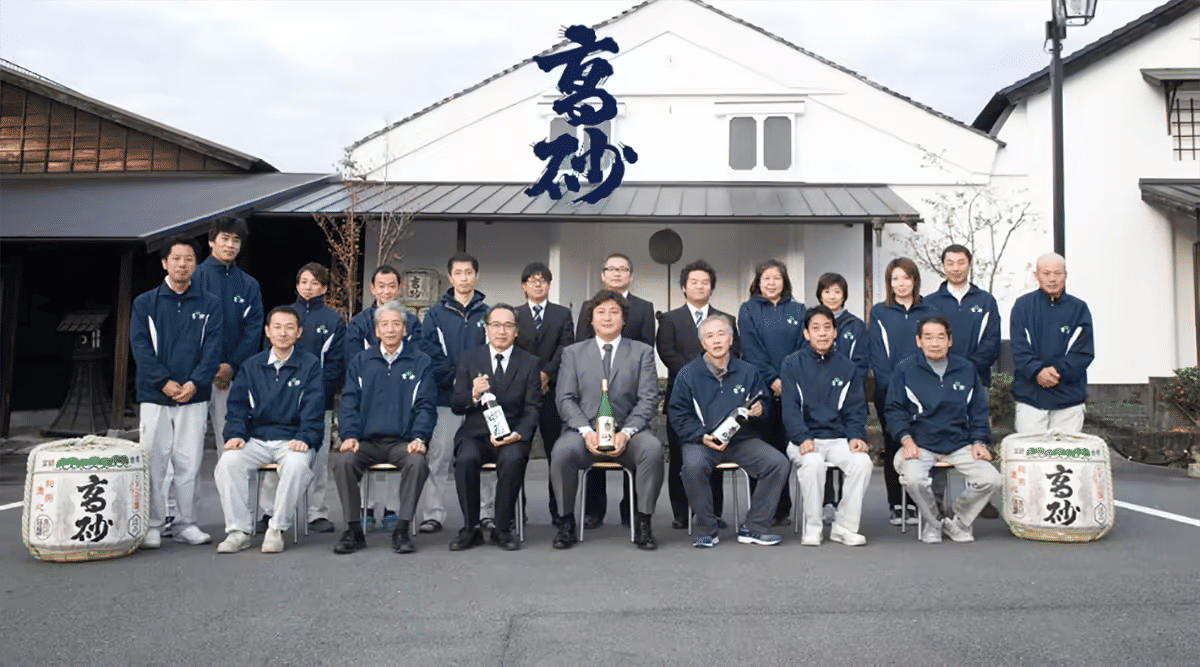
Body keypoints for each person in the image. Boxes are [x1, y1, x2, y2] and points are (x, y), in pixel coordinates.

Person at [550, 290, 664, 550]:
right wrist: (585, 431)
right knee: (562, 452)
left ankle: (643, 522)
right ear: (591, 320)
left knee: (652, 450)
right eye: (601, 312)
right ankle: (566, 522)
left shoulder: (642, 352)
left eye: (614, 312)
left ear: (624, 319)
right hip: (584, 432)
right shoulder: (573, 353)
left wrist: (626, 433)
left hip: (629, 433)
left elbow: (648, 399)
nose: (607, 317)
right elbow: (565, 398)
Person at [129, 235, 222, 548]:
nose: (183, 265)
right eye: (177, 259)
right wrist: (163, 381)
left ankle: (186, 522)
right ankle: (153, 524)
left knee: (189, 462)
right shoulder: (146, 303)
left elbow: (212, 349)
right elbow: (141, 347)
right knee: (154, 461)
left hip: (194, 396)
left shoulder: (210, 304)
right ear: (164, 263)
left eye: (189, 259)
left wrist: (195, 382)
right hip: (155, 395)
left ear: (196, 264)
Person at [669, 314, 787, 548]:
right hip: (703, 441)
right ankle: (707, 528)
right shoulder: (687, 374)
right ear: (703, 343)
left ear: (731, 340)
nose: (716, 340)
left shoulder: (749, 371)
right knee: (692, 467)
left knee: (777, 463)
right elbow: (678, 414)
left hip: (741, 440)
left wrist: (761, 409)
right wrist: (700, 435)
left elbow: (765, 404)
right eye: (710, 336)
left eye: (721, 334)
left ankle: (755, 526)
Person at [213, 306, 324, 554]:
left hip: (292, 439)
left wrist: (305, 437)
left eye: (289, 328)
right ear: (267, 331)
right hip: (257, 438)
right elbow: (237, 406)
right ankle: (238, 530)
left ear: (299, 332)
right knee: (228, 462)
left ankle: (276, 529)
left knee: (296, 465)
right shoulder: (251, 365)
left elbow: (314, 407)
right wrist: (236, 434)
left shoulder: (310, 364)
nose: (283, 333)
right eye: (277, 327)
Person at [330, 303, 436, 554]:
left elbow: (425, 406)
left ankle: (402, 528)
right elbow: (349, 402)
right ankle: (353, 529)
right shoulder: (361, 361)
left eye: (396, 324)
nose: (390, 329)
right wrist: (349, 435)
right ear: (376, 331)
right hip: (366, 442)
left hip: (402, 442)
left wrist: (419, 437)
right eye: (384, 325)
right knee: (343, 462)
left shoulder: (420, 362)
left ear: (405, 329)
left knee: (417, 463)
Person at [886, 316, 1000, 543]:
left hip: (959, 442)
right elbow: (894, 410)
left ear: (950, 341)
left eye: (940, 337)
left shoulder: (966, 369)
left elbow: (978, 410)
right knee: (913, 479)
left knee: (992, 479)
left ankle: (957, 520)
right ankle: (934, 522)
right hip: (920, 443)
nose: (935, 343)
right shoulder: (905, 369)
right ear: (919, 341)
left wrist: (979, 442)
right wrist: (906, 440)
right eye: (928, 337)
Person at [257, 263, 345, 535]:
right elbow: (268, 358)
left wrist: (316, 395)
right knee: (275, 457)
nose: (309, 287)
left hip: (318, 402)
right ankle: (269, 511)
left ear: (325, 288)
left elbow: (336, 364)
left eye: (316, 283)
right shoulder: (283, 314)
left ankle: (316, 512)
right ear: (296, 285)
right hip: (280, 402)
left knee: (317, 459)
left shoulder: (333, 320)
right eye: (304, 281)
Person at [448, 304, 541, 552]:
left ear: (516, 331)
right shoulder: (469, 358)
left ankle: (502, 528)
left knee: (512, 460)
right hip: (475, 435)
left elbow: (533, 408)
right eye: (496, 325)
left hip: (511, 435)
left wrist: (518, 434)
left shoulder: (530, 363)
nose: (502, 331)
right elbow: (456, 403)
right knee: (465, 459)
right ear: (486, 329)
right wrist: (473, 394)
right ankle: (470, 528)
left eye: (508, 326)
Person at [657, 259, 740, 530]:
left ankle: (713, 512)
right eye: (694, 282)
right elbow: (667, 353)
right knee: (679, 457)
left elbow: (734, 353)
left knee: (714, 453)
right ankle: (681, 513)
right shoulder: (669, 320)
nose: (699, 286)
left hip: (717, 399)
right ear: (684, 287)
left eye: (705, 282)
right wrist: (696, 375)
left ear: (711, 287)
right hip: (680, 399)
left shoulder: (726, 319)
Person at [780, 306, 872, 547]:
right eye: (816, 328)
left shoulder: (847, 367)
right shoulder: (792, 364)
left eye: (827, 328)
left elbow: (855, 409)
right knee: (812, 463)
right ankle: (813, 526)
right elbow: (790, 409)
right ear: (806, 333)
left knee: (862, 462)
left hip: (837, 439)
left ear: (835, 332)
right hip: (804, 439)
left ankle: (844, 527)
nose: (822, 333)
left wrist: (856, 436)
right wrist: (802, 437)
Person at [576, 252, 655, 528]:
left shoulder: (644, 307)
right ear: (603, 275)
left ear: (631, 275)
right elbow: (580, 345)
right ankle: (594, 510)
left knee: (631, 450)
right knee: (595, 446)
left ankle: (630, 510)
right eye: (611, 269)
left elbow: (647, 345)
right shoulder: (589, 305)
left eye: (623, 269)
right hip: (595, 390)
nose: (617, 273)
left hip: (629, 391)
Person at [924, 245, 1002, 519]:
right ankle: (936, 501)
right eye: (950, 263)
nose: (956, 268)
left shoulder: (986, 301)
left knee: (976, 438)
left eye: (961, 262)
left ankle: (978, 498)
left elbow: (992, 342)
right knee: (938, 438)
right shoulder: (931, 302)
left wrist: (966, 369)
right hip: (936, 382)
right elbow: (927, 341)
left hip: (976, 380)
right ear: (943, 266)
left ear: (969, 265)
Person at [344, 264, 420, 533]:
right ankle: (364, 508)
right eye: (381, 286)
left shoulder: (410, 320)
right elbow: (352, 359)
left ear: (399, 289)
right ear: (372, 288)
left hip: (401, 393)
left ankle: (391, 509)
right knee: (363, 450)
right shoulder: (360, 322)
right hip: (369, 394)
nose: (386, 291)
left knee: (400, 449)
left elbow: (416, 356)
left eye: (391, 286)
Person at [418, 253, 489, 535]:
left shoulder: (488, 314)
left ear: (476, 276)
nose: (464, 278)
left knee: (484, 457)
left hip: (481, 400)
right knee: (439, 458)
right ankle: (433, 514)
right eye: (458, 273)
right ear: (450, 277)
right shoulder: (435, 314)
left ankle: (486, 513)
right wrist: (458, 381)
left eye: (468, 272)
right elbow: (430, 352)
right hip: (445, 399)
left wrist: (476, 386)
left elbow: (492, 353)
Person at [737, 259, 806, 525]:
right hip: (760, 390)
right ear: (758, 282)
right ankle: (762, 509)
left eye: (776, 278)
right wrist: (772, 379)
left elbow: (802, 347)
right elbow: (751, 349)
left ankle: (783, 508)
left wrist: (785, 379)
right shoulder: (748, 310)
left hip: (791, 389)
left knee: (785, 448)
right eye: (766, 278)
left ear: (784, 281)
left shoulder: (798, 310)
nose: (771, 283)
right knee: (762, 449)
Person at [868, 257, 935, 526]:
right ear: (889, 283)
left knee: (922, 445)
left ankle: (918, 503)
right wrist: (895, 388)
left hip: (923, 392)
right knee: (894, 443)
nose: (901, 283)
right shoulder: (879, 312)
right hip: (889, 392)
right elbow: (878, 355)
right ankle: (896, 503)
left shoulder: (929, 310)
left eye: (906, 278)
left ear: (915, 280)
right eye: (895, 278)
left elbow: (933, 350)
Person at [191, 216, 263, 453]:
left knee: (232, 444)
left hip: (231, 377)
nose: (230, 245)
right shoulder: (194, 277)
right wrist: (207, 366)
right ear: (211, 241)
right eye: (225, 238)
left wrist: (231, 366)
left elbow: (253, 330)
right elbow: (186, 328)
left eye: (236, 240)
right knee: (187, 446)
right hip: (193, 374)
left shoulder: (249, 284)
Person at [513, 262, 575, 527]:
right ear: (523, 286)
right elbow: (511, 349)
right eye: (532, 280)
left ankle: (558, 510)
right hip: (521, 394)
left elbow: (565, 347)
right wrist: (532, 378)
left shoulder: (562, 314)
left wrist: (547, 374)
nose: (537, 284)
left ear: (549, 285)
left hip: (553, 393)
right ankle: (516, 511)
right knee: (517, 455)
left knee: (556, 454)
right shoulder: (514, 314)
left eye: (543, 280)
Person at [1010, 252, 1094, 433]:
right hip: (1030, 399)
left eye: (1057, 273)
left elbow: (1083, 351)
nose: (1052, 279)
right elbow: (1019, 348)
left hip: (1069, 400)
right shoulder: (1022, 306)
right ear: (1036, 276)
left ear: (1065, 275)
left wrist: (1057, 371)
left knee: (1065, 451)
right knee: (1031, 450)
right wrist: (1037, 371)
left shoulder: (1079, 308)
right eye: (1046, 273)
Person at [813, 272, 869, 524]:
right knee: (823, 449)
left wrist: (845, 384)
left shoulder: (855, 325)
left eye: (837, 291)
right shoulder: (812, 321)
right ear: (820, 295)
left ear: (844, 295)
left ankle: (847, 506)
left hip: (848, 396)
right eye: (827, 291)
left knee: (848, 450)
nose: (832, 296)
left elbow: (861, 362)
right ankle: (827, 501)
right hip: (819, 398)